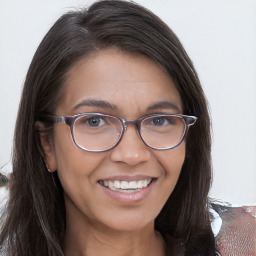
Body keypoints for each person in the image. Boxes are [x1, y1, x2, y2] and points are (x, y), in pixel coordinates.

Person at [0, 1, 216, 255]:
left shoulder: (245, 239)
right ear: (46, 145)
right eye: (95, 121)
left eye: (159, 120)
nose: (132, 155)